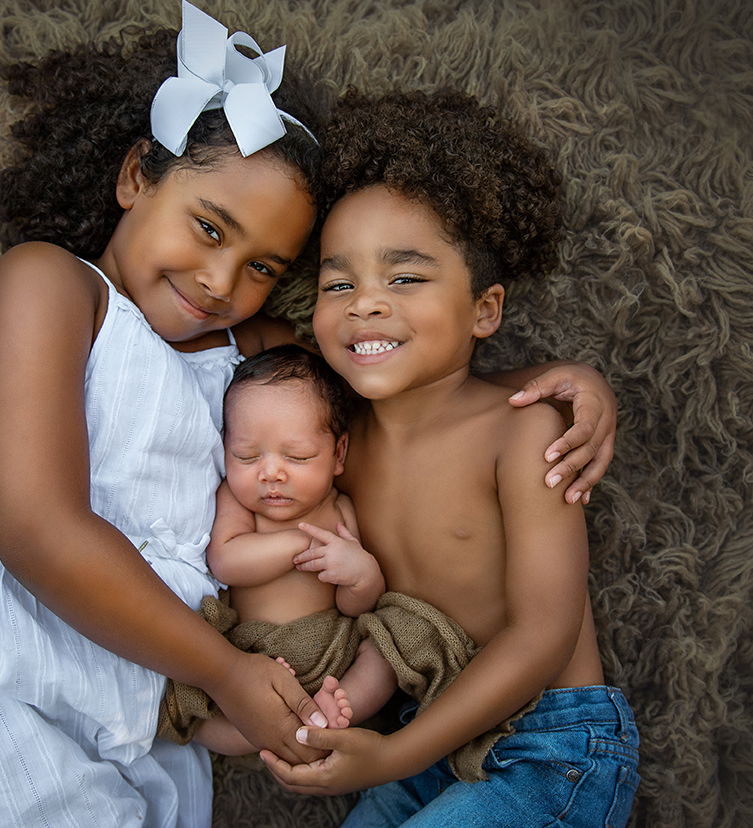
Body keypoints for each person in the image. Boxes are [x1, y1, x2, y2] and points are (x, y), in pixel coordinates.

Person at [0, 0, 618, 825]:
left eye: (262, 266)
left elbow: (404, 375)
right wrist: (226, 672)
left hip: (147, 700)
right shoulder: (54, 288)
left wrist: (558, 377)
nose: (219, 281)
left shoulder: (251, 347)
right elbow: (37, 529)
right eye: (209, 228)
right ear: (137, 175)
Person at [261, 89, 640, 828]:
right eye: (340, 283)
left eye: (405, 277)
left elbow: (543, 634)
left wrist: (393, 757)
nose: (366, 303)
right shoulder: (337, 442)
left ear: (485, 310)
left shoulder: (522, 433)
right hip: (427, 732)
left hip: (549, 745)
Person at [157, 345, 398, 756]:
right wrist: (298, 543)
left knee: (384, 652)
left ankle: (337, 713)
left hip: (329, 649)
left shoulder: (339, 508)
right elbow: (227, 561)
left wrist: (361, 574)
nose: (270, 473)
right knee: (201, 713)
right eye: (246, 456)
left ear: (338, 454)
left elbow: (356, 606)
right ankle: (255, 735)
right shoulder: (237, 500)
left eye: (298, 456)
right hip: (252, 654)